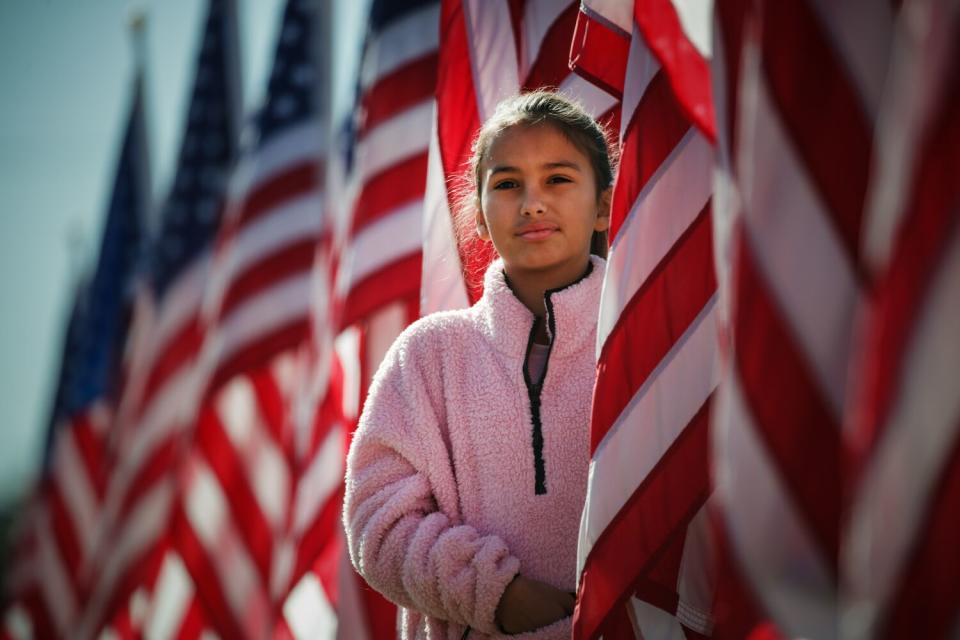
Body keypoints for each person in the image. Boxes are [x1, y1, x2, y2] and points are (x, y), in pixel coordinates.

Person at [343, 89, 614, 639]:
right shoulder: (428, 354)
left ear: (603, 205)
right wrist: (497, 593)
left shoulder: (645, 337)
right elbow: (378, 520)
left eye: (558, 179)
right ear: (481, 218)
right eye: (508, 184)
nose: (532, 203)